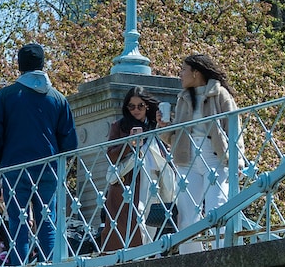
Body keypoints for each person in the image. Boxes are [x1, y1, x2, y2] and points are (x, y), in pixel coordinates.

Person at [0, 42, 78, 265]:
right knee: (47, 220)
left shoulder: (6, 96)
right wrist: (59, 161)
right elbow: (69, 140)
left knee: (18, 221)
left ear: (20, 66)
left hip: (15, 167)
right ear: (43, 64)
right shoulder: (58, 98)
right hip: (49, 168)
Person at [170, 52, 241, 253]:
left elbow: (234, 127)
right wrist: (164, 126)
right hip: (187, 159)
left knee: (216, 207)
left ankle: (223, 254)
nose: (180, 74)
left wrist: (237, 161)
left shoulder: (220, 94)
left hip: (214, 157)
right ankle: (191, 257)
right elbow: (175, 135)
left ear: (196, 72)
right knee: (186, 214)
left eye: (183, 70)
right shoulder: (183, 98)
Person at [100, 88, 166, 252]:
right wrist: (130, 143)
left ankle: (150, 255)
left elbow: (166, 150)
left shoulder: (155, 126)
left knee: (151, 222)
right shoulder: (119, 125)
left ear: (147, 106)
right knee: (122, 227)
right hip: (125, 182)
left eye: (140, 106)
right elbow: (110, 155)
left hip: (153, 179)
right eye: (131, 106)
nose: (135, 110)